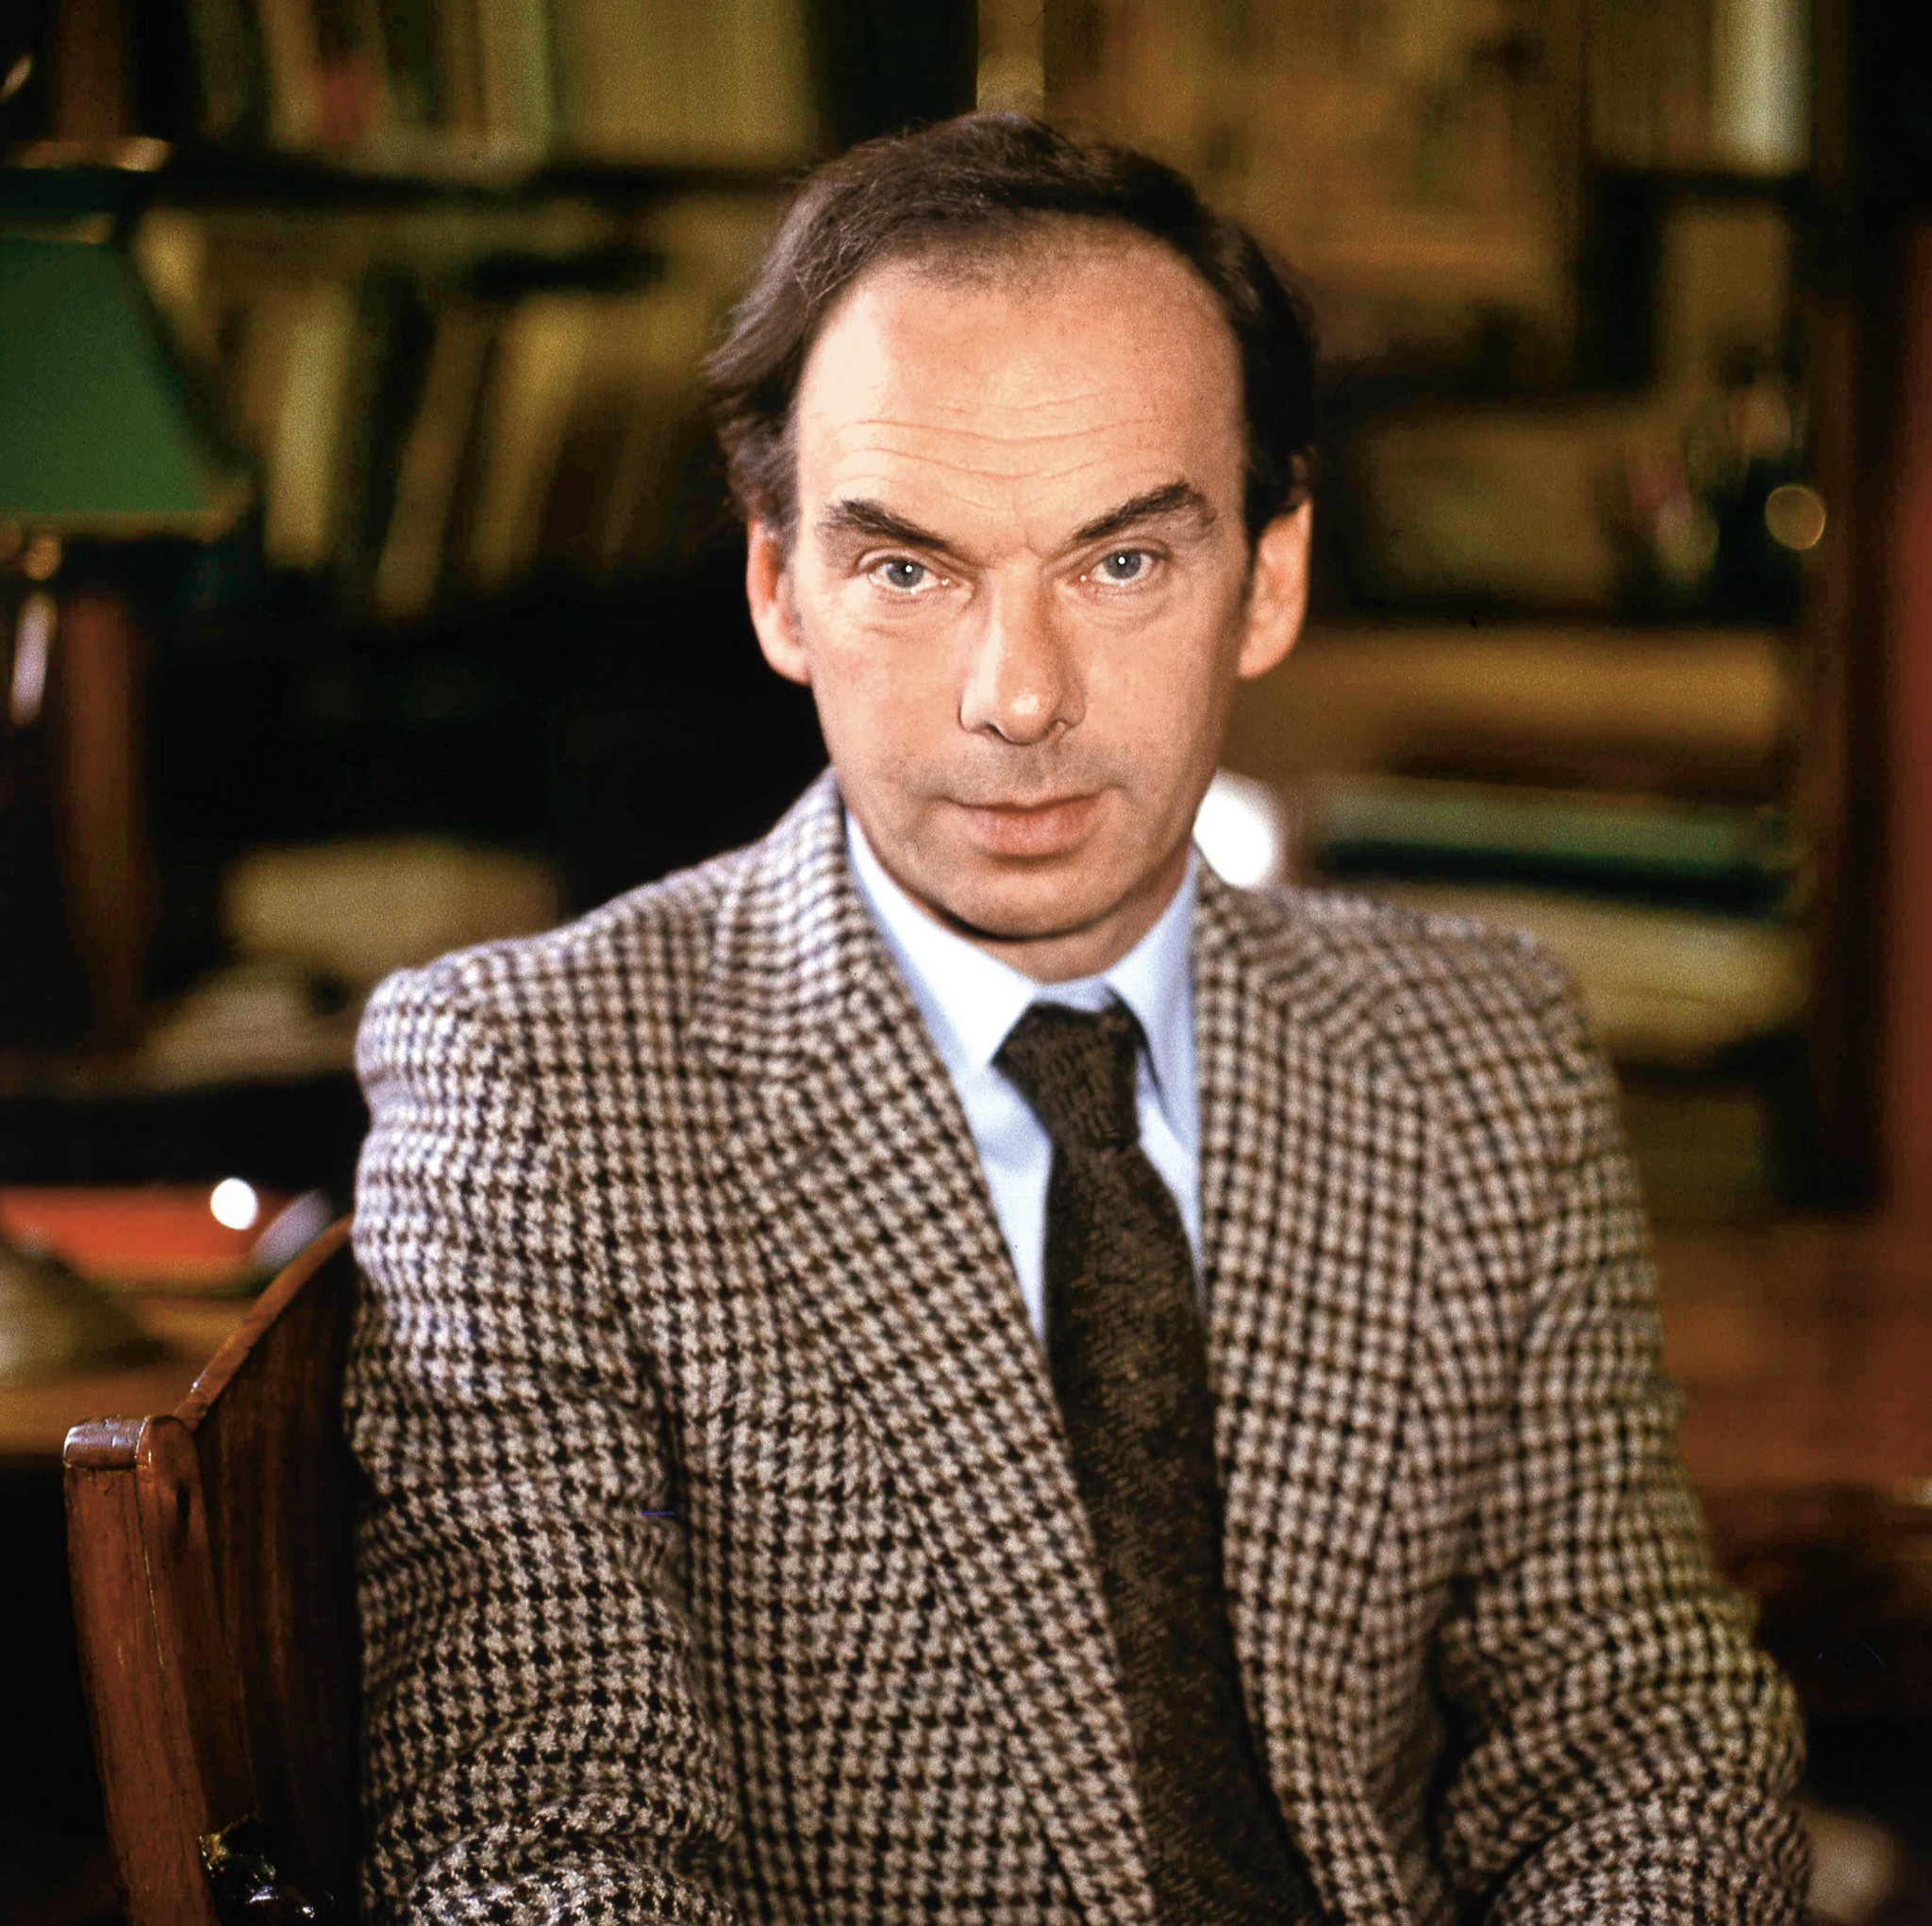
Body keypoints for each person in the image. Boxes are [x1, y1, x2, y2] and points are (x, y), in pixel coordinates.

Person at [348, 114, 1808, 1924]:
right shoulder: (535, 1091)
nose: (1018, 696)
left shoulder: (1481, 1048)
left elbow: (1638, 1718)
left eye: (1120, 564)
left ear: (1269, 578)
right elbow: (538, 1837)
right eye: (909, 568)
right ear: (779, 587)